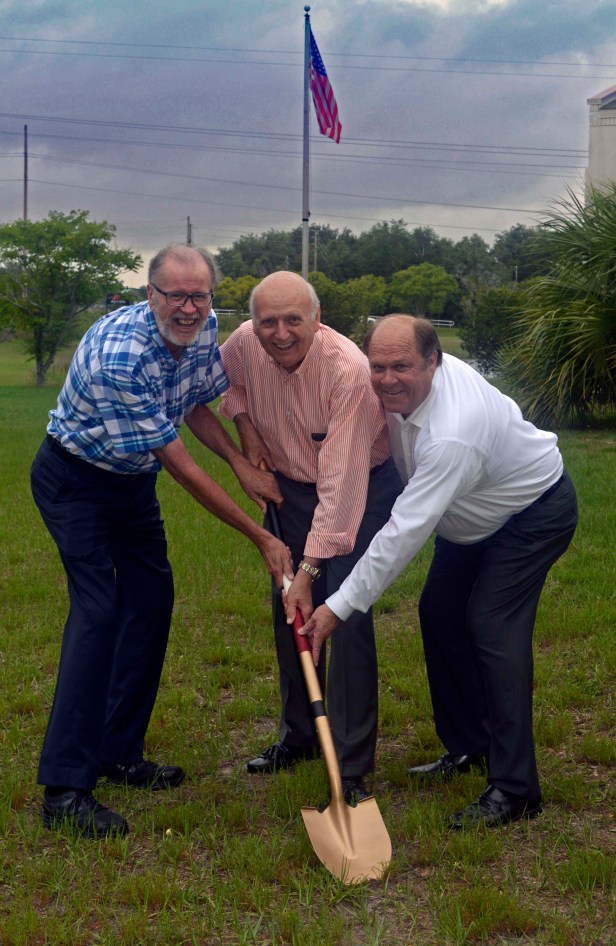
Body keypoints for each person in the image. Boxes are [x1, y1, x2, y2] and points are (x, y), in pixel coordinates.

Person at [30, 244, 293, 839]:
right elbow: (180, 465)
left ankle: (119, 753)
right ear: (150, 294)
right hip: (74, 480)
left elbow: (197, 401)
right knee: (97, 613)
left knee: (151, 602)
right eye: (176, 295)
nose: (189, 306)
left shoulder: (203, 328)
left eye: (200, 294)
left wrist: (240, 456)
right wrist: (257, 535)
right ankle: (65, 789)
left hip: (128, 482)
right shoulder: (122, 356)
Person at [299, 315, 578, 829]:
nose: (387, 379)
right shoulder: (399, 393)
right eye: (377, 366)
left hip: (531, 513)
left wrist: (336, 606)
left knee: (492, 626)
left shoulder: (454, 434)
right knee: (439, 614)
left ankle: (516, 789)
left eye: (402, 366)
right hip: (471, 518)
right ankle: (469, 748)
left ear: (434, 361)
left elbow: (405, 532)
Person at [218, 272, 403, 803]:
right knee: (290, 612)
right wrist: (247, 429)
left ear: (317, 320)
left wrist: (309, 570)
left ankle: (348, 764)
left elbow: (342, 490)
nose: (279, 333)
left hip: (361, 490)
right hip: (289, 486)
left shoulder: (347, 371)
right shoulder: (242, 345)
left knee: (341, 614)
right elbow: (219, 384)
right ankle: (298, 734)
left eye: (293, 320)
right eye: (267, 321)